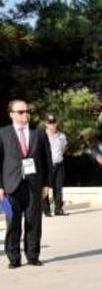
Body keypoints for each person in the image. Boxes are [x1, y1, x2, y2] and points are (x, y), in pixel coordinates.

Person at [0, 100, 51, 268]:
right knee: (12, 221)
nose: (25, 114)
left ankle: (33, 255)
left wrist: (46, 184)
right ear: (11, 114)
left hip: (33, 185)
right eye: (20, 111)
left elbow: (46, 160)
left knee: (33, 221)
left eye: (27, 111)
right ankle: (14, 258)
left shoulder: (38, 133)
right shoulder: (3, 133)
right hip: (10, 186)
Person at [42, 114, 68, 216]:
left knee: (58, 187)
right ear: (46, 124)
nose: (51, 126)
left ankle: (58, 209)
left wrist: (58, 158)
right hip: (47, 166)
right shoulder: (42, 135)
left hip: (59, 164)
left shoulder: (62, 136)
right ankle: (46, 210)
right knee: (45, 188)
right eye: (49, 123)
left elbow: (63, 148)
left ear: (56, 124)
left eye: (53, 123)